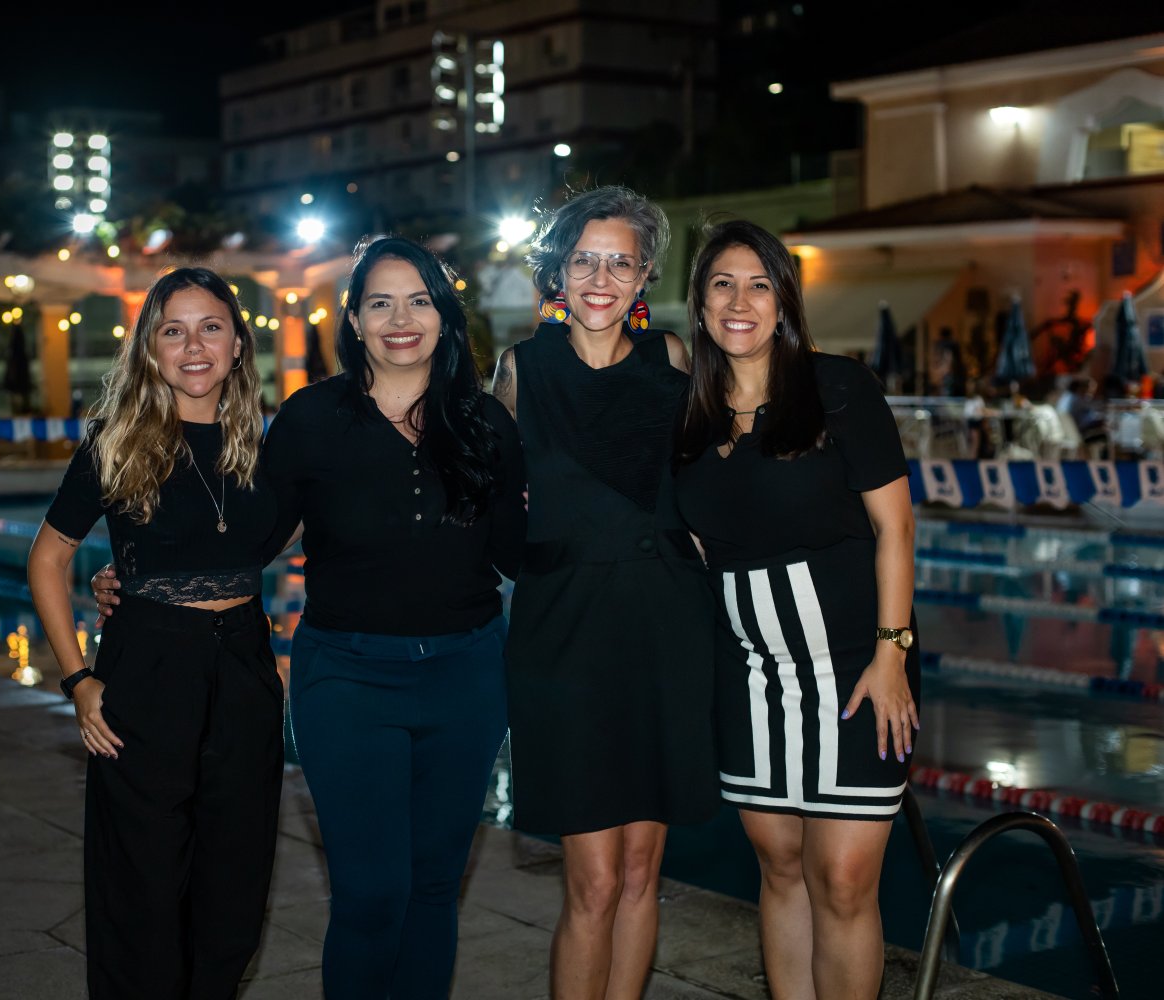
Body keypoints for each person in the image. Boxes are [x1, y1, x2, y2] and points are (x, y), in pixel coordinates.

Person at [96, 236, 526, 999]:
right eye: (380, 303)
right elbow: (250, 534)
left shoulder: (484, 422)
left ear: (445, 317)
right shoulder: (312, 418)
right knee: (371, 893)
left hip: (466, 676)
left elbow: (517, 552)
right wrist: (147, 577)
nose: (401, 320)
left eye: (419, 301)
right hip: (349, 679)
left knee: (433, 887)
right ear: (353, 320)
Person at [673, 219, 919, 1000]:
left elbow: (896, 527)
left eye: (759, 285)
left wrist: (891, 654)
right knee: (780, 868)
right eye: (722, 284)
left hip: (853, 669)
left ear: (784, 301)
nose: (739, 301)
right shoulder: (689, 415)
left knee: (841, 879)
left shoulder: (837, 387)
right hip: (749, 674)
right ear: (700, 304)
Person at [27, 267, 284, 1000]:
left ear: (238, 344)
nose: (194, 347)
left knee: (235, 877)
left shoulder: (264, 447)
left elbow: (284, 534)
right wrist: (79, 680)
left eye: (211, 328)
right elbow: (48, 558)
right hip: (147, 666)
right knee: (141, 880)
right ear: (150, 348)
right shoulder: (116, 442)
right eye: (174, 331)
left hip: (243, 666)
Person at [491, 185, 717, 1000]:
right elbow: (482, 506)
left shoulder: (673, 361)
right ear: (558, 270)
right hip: (564, 636)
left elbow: (711, 481)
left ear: (645, 275)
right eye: (584, 260)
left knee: (641, 871)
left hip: (665, 625)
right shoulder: (521, 370)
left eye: (620, 263)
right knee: (591, 879)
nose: (600, 279)